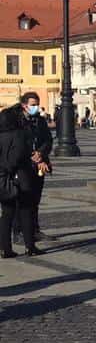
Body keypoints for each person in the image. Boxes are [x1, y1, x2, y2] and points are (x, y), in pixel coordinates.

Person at [0, 105, 39, 257]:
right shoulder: (19, 134)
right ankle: (30, 247)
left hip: (3, 179)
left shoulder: (1, 134)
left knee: (7, 213)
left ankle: (5, 248)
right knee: (26, 211)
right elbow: (16, 158)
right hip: (20, 177)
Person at [18, 92, 52, 243]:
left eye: (37, 104)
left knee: (35, 199)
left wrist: (41, 153)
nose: (36, 107)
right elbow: (17, 144)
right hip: (23, 166)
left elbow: (48, 140)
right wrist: (32, 154)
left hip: (39, 165)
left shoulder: (40, 120)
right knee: (22, 199)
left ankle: (34, 229)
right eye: (32, 105)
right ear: (24, 105)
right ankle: (19, 231)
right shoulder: (17, 121)